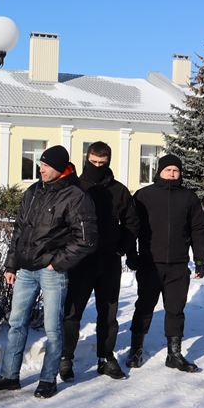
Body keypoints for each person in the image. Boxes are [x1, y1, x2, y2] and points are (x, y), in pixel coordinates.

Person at [0, 145, 98, 398]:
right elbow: (19, 231)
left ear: (60, 168)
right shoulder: (33, 191)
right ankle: (9, 375)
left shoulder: (76, 196)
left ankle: (47, 379)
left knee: (53, 328)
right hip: (25, 269)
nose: (41, 169)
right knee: (16, 324)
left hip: (52, 272)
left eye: (46, 165)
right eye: (40, 164)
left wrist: (57, 263)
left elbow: (86, 239)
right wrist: (12, 264)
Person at [59, 141, 139, 382]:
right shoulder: (74, 187)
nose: (96, 166)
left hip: (108, 261)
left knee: (108, 313)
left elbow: (131, 223)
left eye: (101, 163)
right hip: (79, 262)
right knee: (72, 313)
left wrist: (121, 248)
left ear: (108, 162)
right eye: (93, 162)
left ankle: (106, 357)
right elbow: (61, 222)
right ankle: (65, 357)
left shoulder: (119, 190)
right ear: (86, 159)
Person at [126, 154, 204, 372]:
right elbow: (132, 227)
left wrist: (200, 259)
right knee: (144, 306)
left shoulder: (189, 197)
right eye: (168, 170)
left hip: (178, 265)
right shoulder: (144, 195)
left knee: (176, 309)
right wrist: (132, 254)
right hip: (150, 263)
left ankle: (174, 354)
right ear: (159, 171)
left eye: (175, 170)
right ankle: (136, 350)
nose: (172, 174)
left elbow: (198, 229)